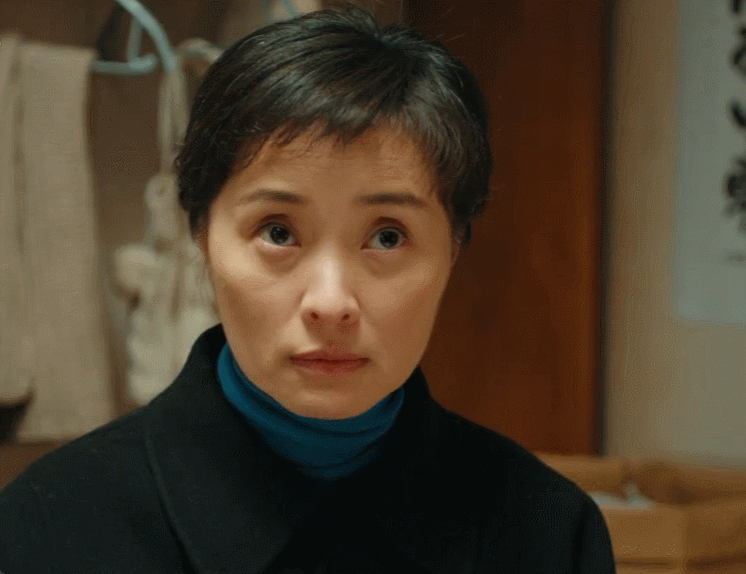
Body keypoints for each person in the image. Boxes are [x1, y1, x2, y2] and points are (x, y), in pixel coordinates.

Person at [0, 4, 617, 572]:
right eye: (278, 232)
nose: (330, 303)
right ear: (201, 237)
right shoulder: (51, 528)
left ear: (454, 248)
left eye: (387, 237)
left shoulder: (547, 532)